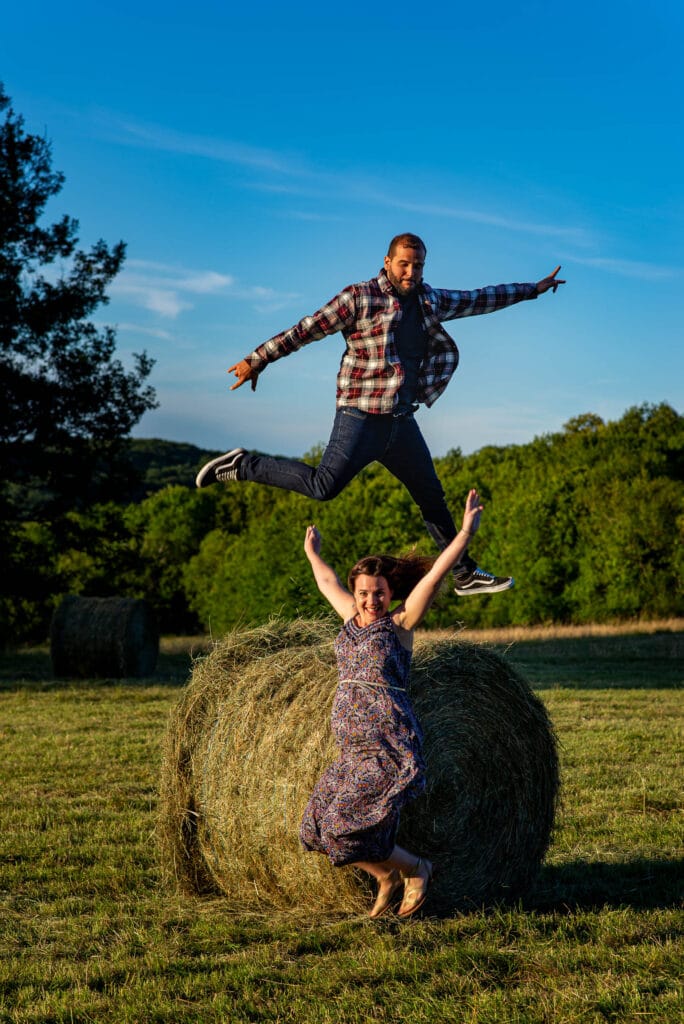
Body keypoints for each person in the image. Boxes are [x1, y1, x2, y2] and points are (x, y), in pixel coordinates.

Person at [196, 232, 565, 596]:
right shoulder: (358, 297)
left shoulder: (429, 300)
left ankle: (464, 574)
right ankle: (243, 464)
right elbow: (305, 330)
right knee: (323, 487)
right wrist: (257, 359)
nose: (410, 273)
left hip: (401, 422)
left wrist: (533, 288)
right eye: (404, 264)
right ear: (388, 262)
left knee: (431, 497)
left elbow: (480, 299)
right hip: (359, 417)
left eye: (417, 266)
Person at [299, 487, 484, 919]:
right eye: (364, 592)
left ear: (390, 592)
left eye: (378, 592)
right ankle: (385, 876)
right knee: (314, 830)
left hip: (387, 745)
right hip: (351, 748)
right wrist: (313, 554)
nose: (370, 600)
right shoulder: (349, 618)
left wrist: (464, 535)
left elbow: (435, 576)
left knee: (346, 824)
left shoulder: (399, 625)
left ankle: (416, 867)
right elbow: (326, 581)